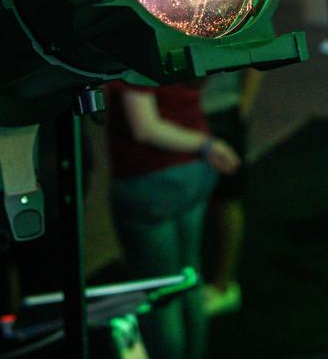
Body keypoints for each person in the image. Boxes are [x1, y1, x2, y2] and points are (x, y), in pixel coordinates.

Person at [107, 79, 240, 359]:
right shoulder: (184, 47)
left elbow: (144, 127)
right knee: (189, 275)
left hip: (149, 176)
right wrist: (206, 145)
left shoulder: (136, 59)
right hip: (194, 170)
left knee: (161, 290)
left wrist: (206, 145)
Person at [200, 68, 262, 316]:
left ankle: (223, 284)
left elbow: (255, 59)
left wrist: (242, 107)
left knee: (226, 198)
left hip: (220, 108)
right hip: (186, 111)